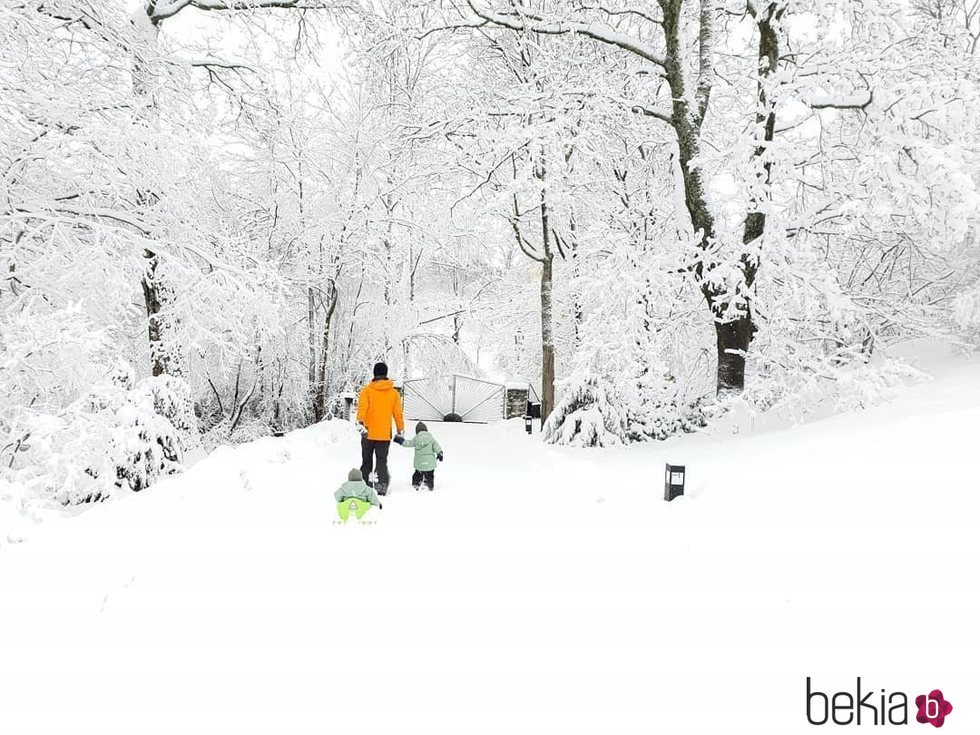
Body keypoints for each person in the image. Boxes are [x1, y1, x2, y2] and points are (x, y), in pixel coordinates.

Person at [356, 362, 404, 496]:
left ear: (374, 373)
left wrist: (360, 422)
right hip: (384, 434)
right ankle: (381, 485)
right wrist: (400, 429)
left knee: (366, 460)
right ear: (386, 374)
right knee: (381, 460)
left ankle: (365, 485)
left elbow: (362, 408)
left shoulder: (366, 390)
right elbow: (398, 414)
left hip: (368, 432)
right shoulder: (393, 393)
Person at [395, 421, 444, 491]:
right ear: (426, 430)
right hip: (430, 463)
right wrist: (440, 453)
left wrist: (400, 441)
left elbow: (408, 443)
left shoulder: (416, 439)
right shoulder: (431, 439)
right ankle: (429, 485)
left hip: (419, 463)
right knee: (429, 475)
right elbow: (437, 447)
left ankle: (416, 484)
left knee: (417, 474)